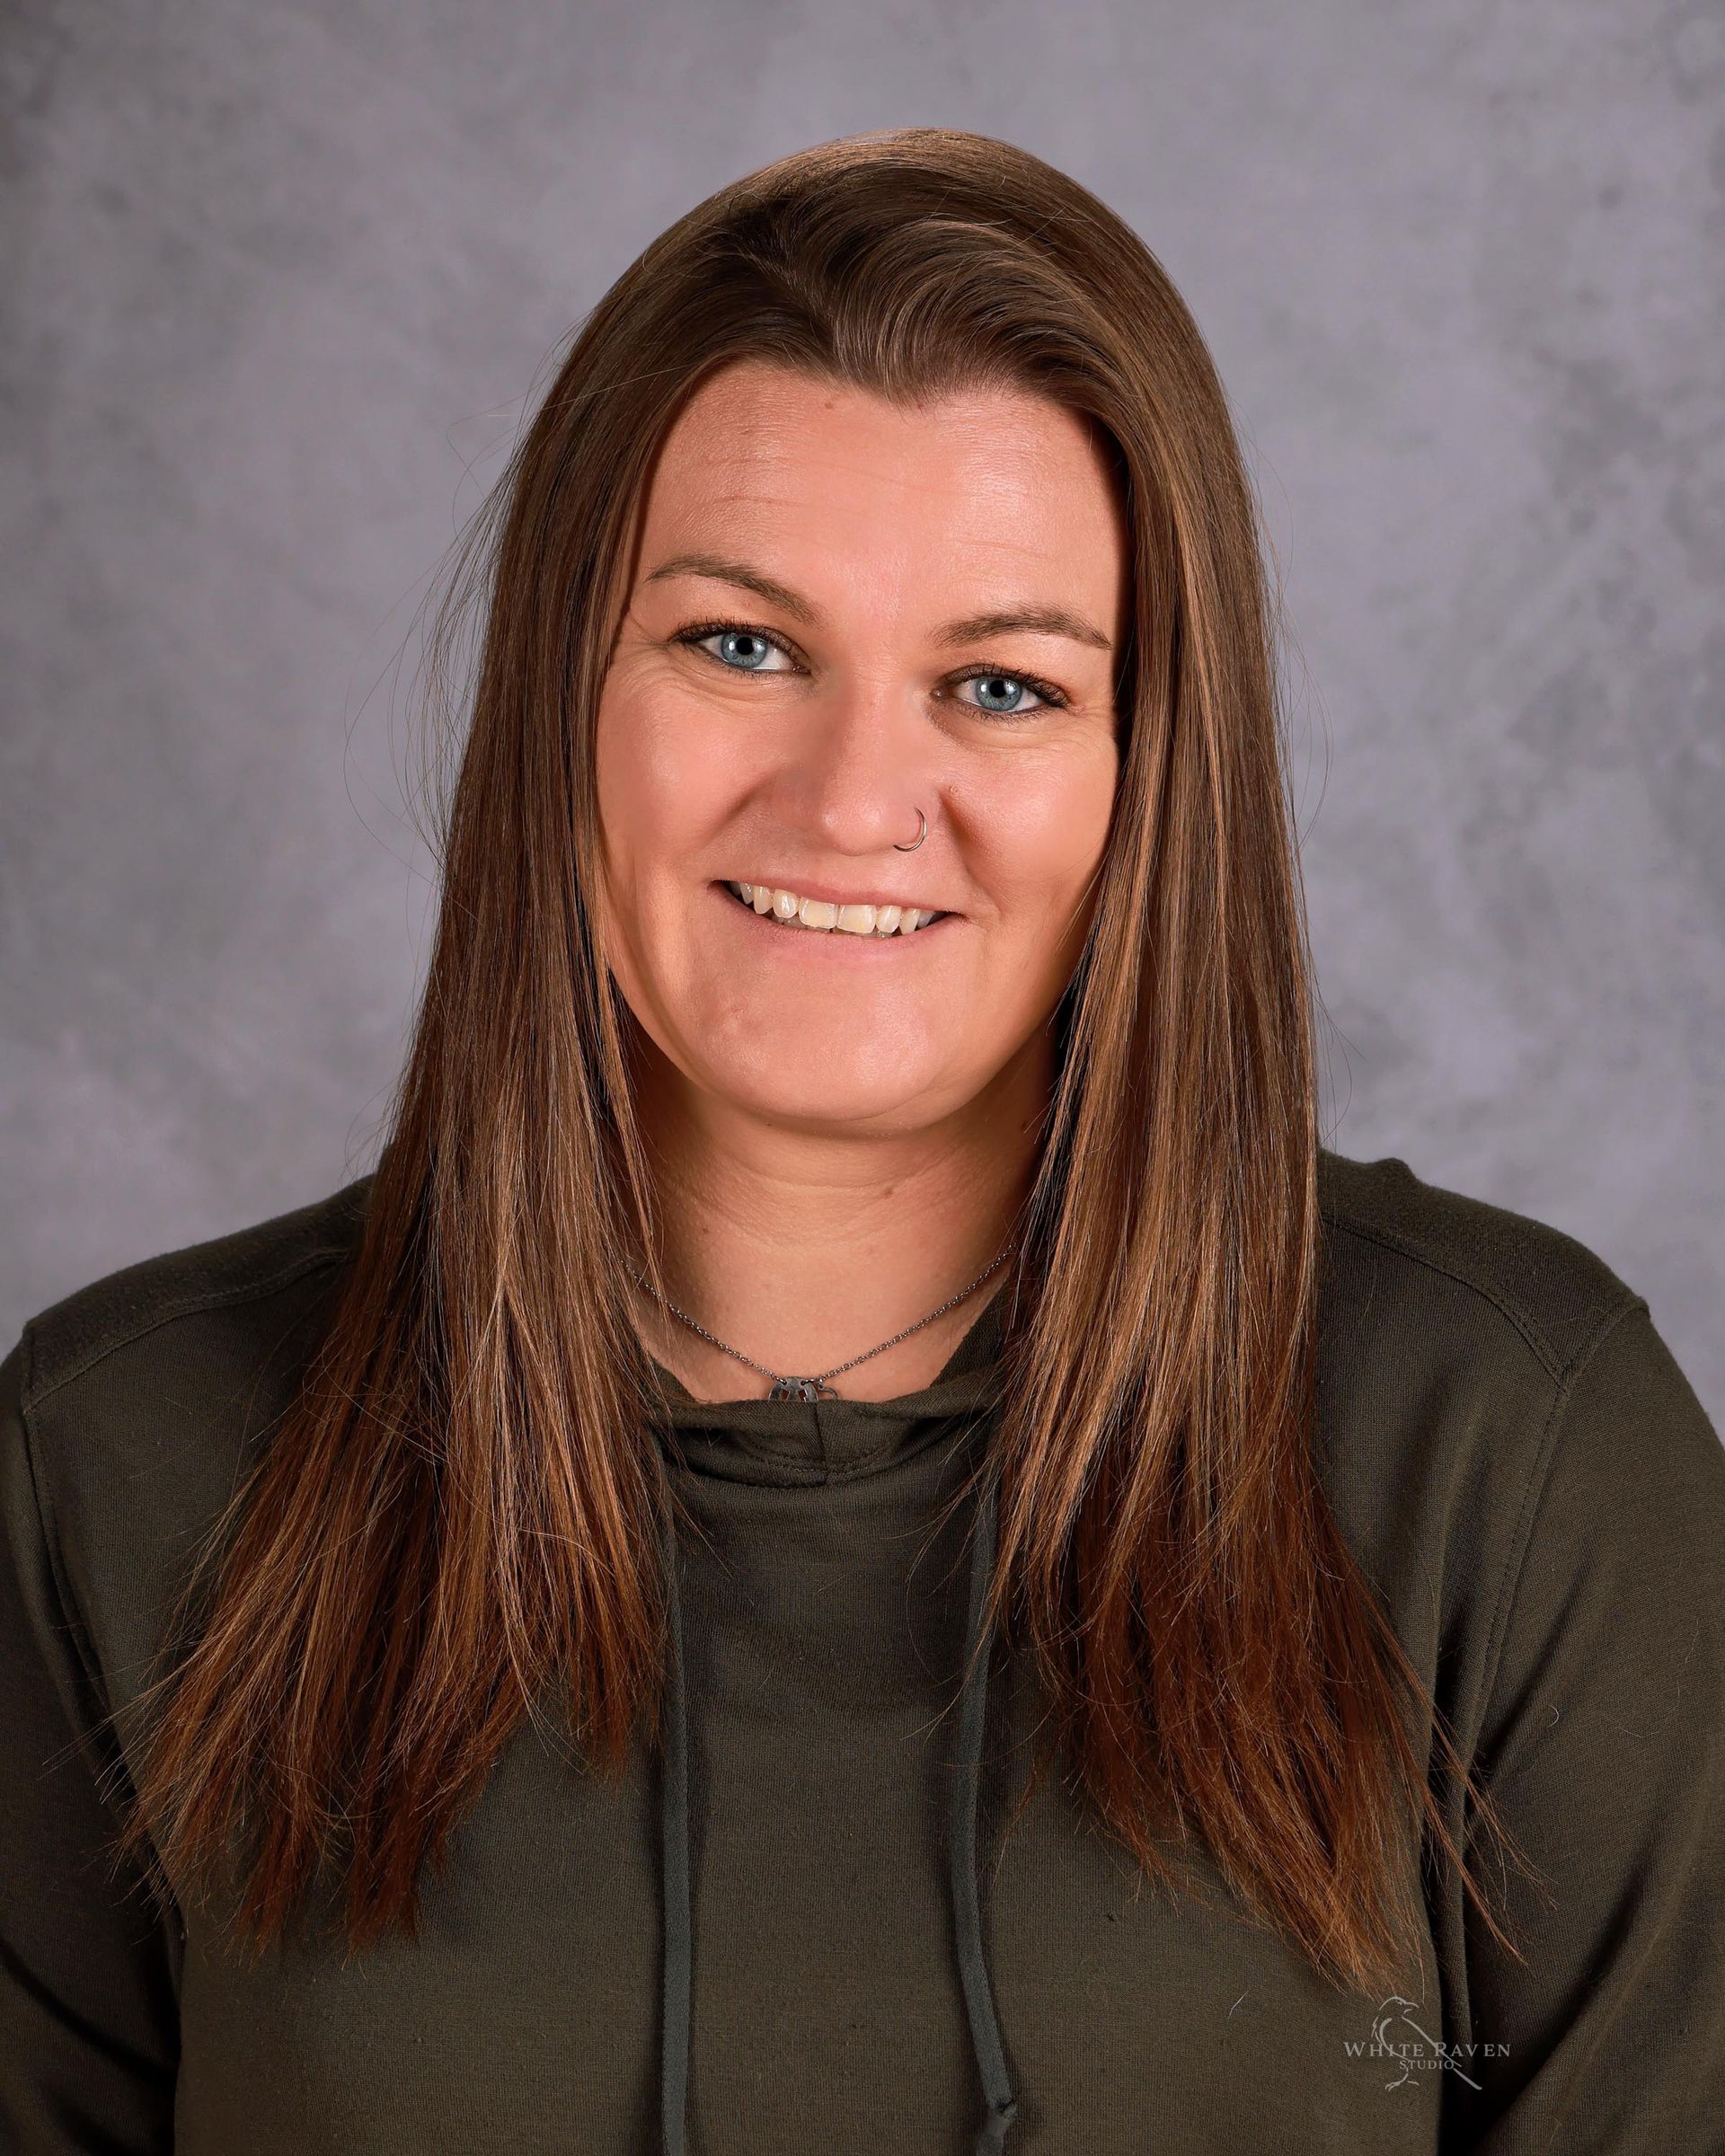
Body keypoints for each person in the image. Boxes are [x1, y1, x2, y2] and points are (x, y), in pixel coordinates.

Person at [3, 128, 1722, 2156]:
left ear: (1148, 782)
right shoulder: (120, 1468)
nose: (852, 800)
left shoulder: (1508, 1453)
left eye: (999, 684)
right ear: (564, 693)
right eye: (740, 645)